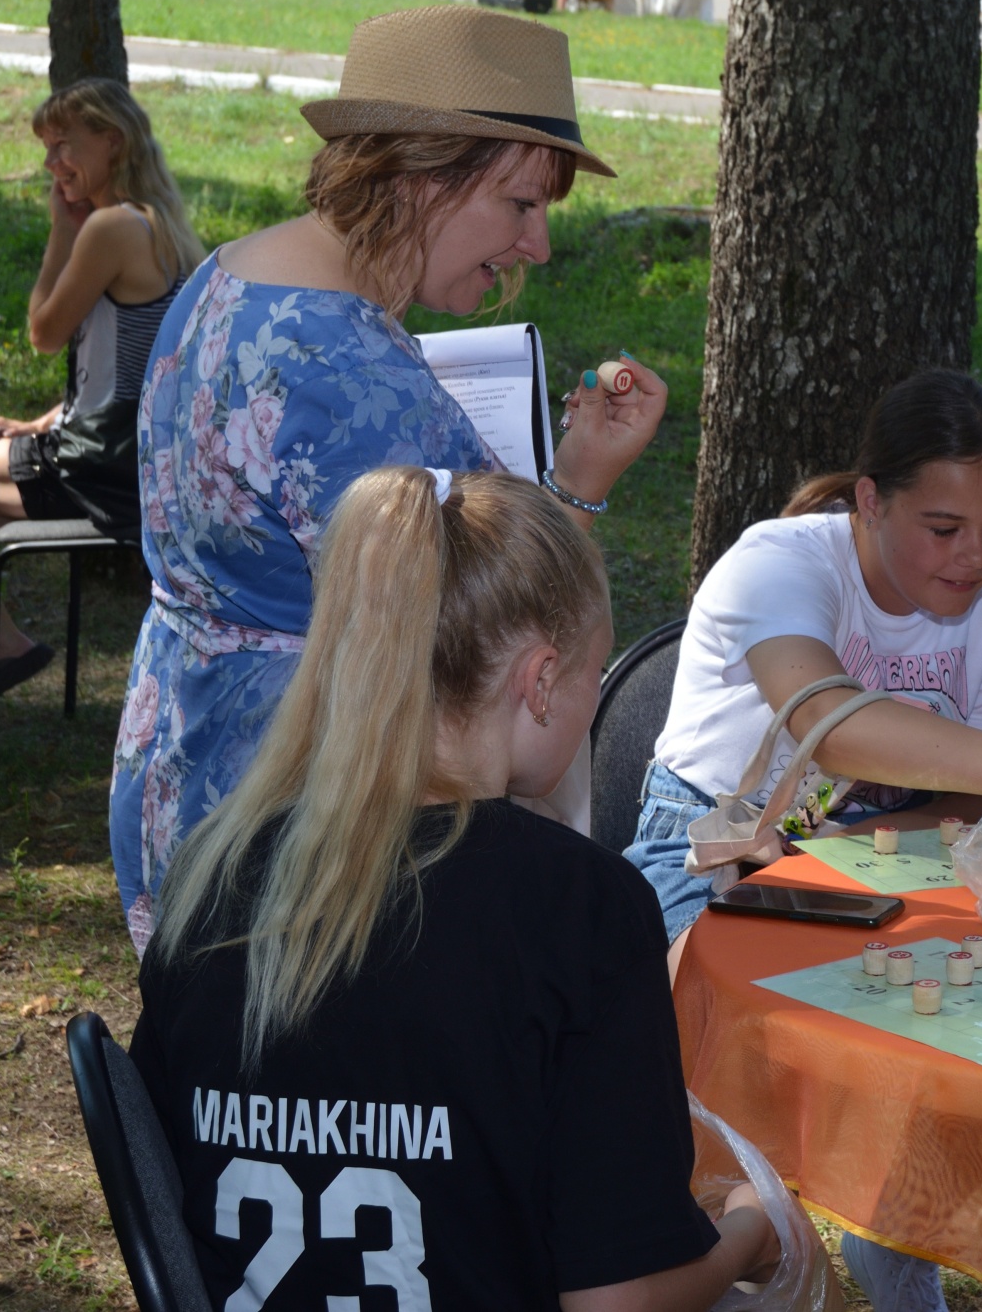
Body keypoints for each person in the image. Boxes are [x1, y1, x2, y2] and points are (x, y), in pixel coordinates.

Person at [131, 466, 798, 1311]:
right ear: (542, 680)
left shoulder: (212, 872)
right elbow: (619, 1303)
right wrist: (755, 1232)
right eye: (595, 674)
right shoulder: (577, 909)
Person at [108, 5, 665, 954]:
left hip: (192, 768)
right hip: (311, 837)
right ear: (419, 176)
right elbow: (501, 642)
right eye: (521, 205)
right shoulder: (345, 370)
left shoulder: (233, 276)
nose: (535, 245)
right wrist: (576, 491)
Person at [624, 370, 982, 1312]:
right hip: (712, 848)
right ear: (869, 502)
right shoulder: (778, 561)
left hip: (870, 840)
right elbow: (828, 719)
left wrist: (972, 799)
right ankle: (743, 1228)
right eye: (945, 528)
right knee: (702, 1057)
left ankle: (901, 1224)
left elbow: (958, 789)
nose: (977, 558)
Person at [0, 78, 201, 739]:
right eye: (46, 149)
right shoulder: (159, 226)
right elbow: (125, 375)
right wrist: (35, 423)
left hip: (95, 466)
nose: (52, 165)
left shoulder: (108, 227)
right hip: (120, 457)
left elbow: (44, 334)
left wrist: (56, 234)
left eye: (63, 146)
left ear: (112, 141)